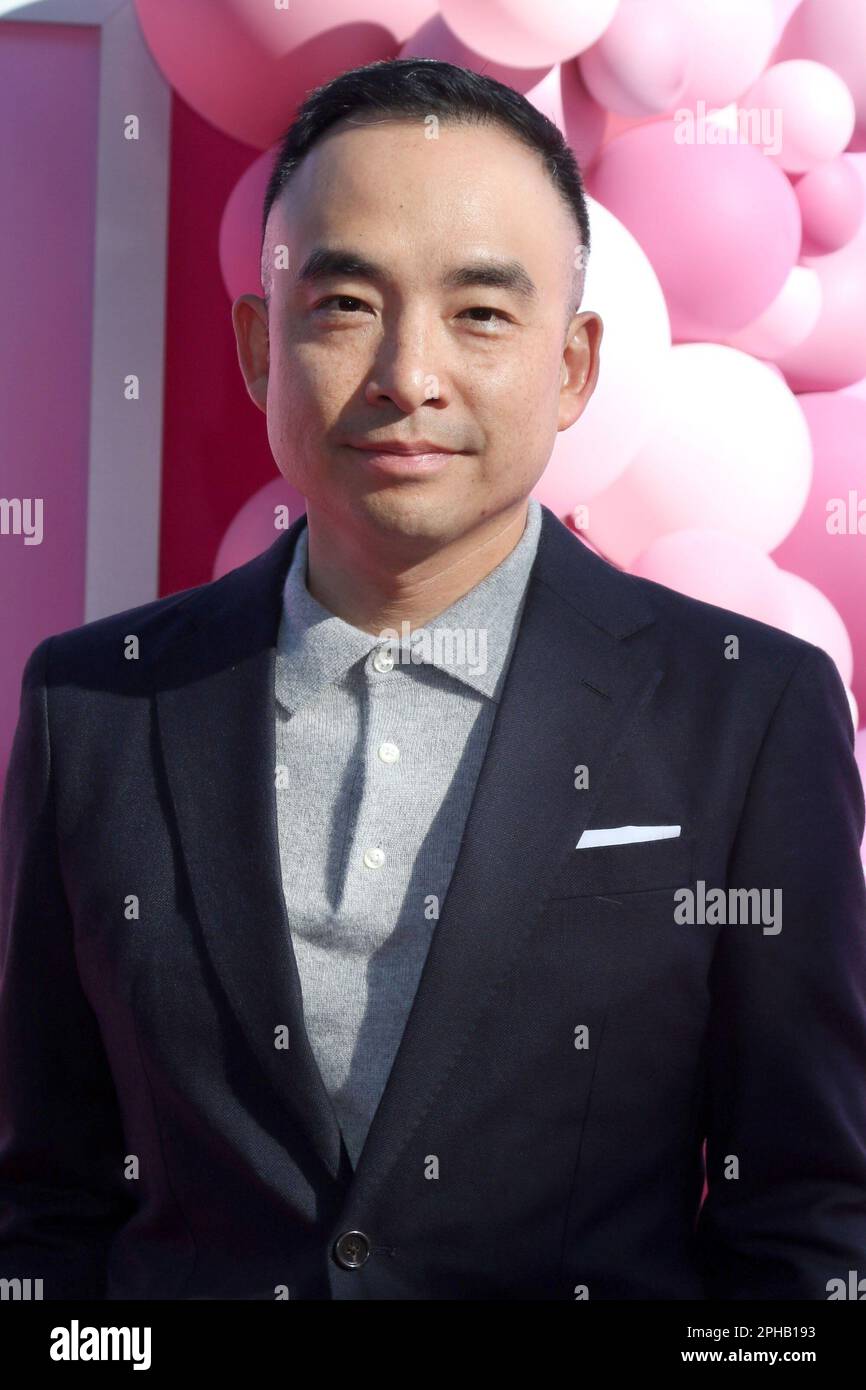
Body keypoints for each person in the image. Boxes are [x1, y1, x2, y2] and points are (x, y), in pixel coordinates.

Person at [1, 57, 865, 1301]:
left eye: (480, 313)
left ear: (571, 367)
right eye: (347, 302)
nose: (408, 375)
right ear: (259, 345)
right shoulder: (93, 707)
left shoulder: (743, 714)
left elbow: (803, 1214)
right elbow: (49, 1195)